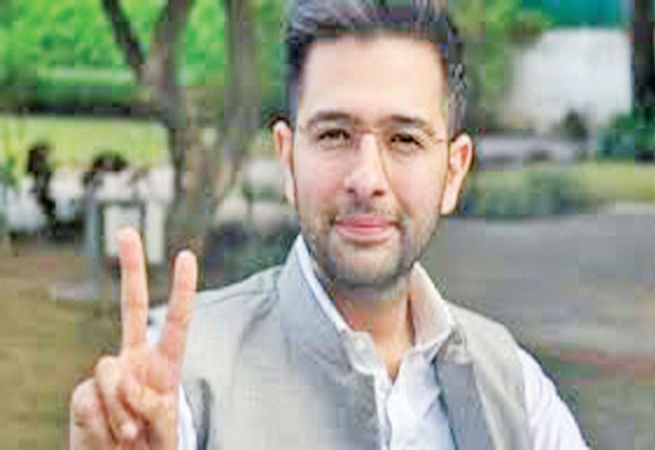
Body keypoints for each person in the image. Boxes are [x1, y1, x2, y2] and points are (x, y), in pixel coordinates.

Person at [69, 1, 589, 449]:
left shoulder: (514, 389)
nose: (367, 179)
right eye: (335, 134)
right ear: (288, 159)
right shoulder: (180, 378)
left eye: (404, 139)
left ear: (453, 172)